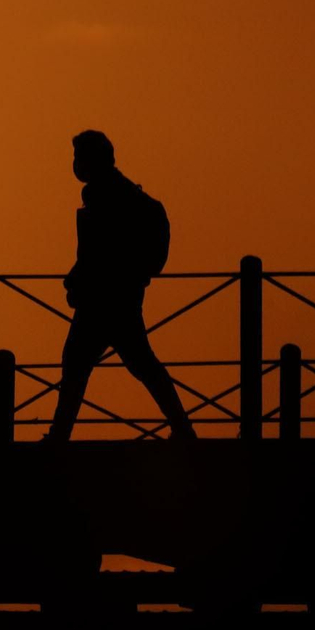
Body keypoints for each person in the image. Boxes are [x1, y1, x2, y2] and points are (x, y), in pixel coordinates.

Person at [44, 130, 196, 442]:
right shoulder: (122, 195)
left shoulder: (107, 198)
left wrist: (80, 280)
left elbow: (99, 254)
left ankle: (59, 437)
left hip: (103, 301)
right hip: (120, 297)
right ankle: (182, 428)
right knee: (139, 365)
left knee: (80, 363)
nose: (75, 164)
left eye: (79, 157)